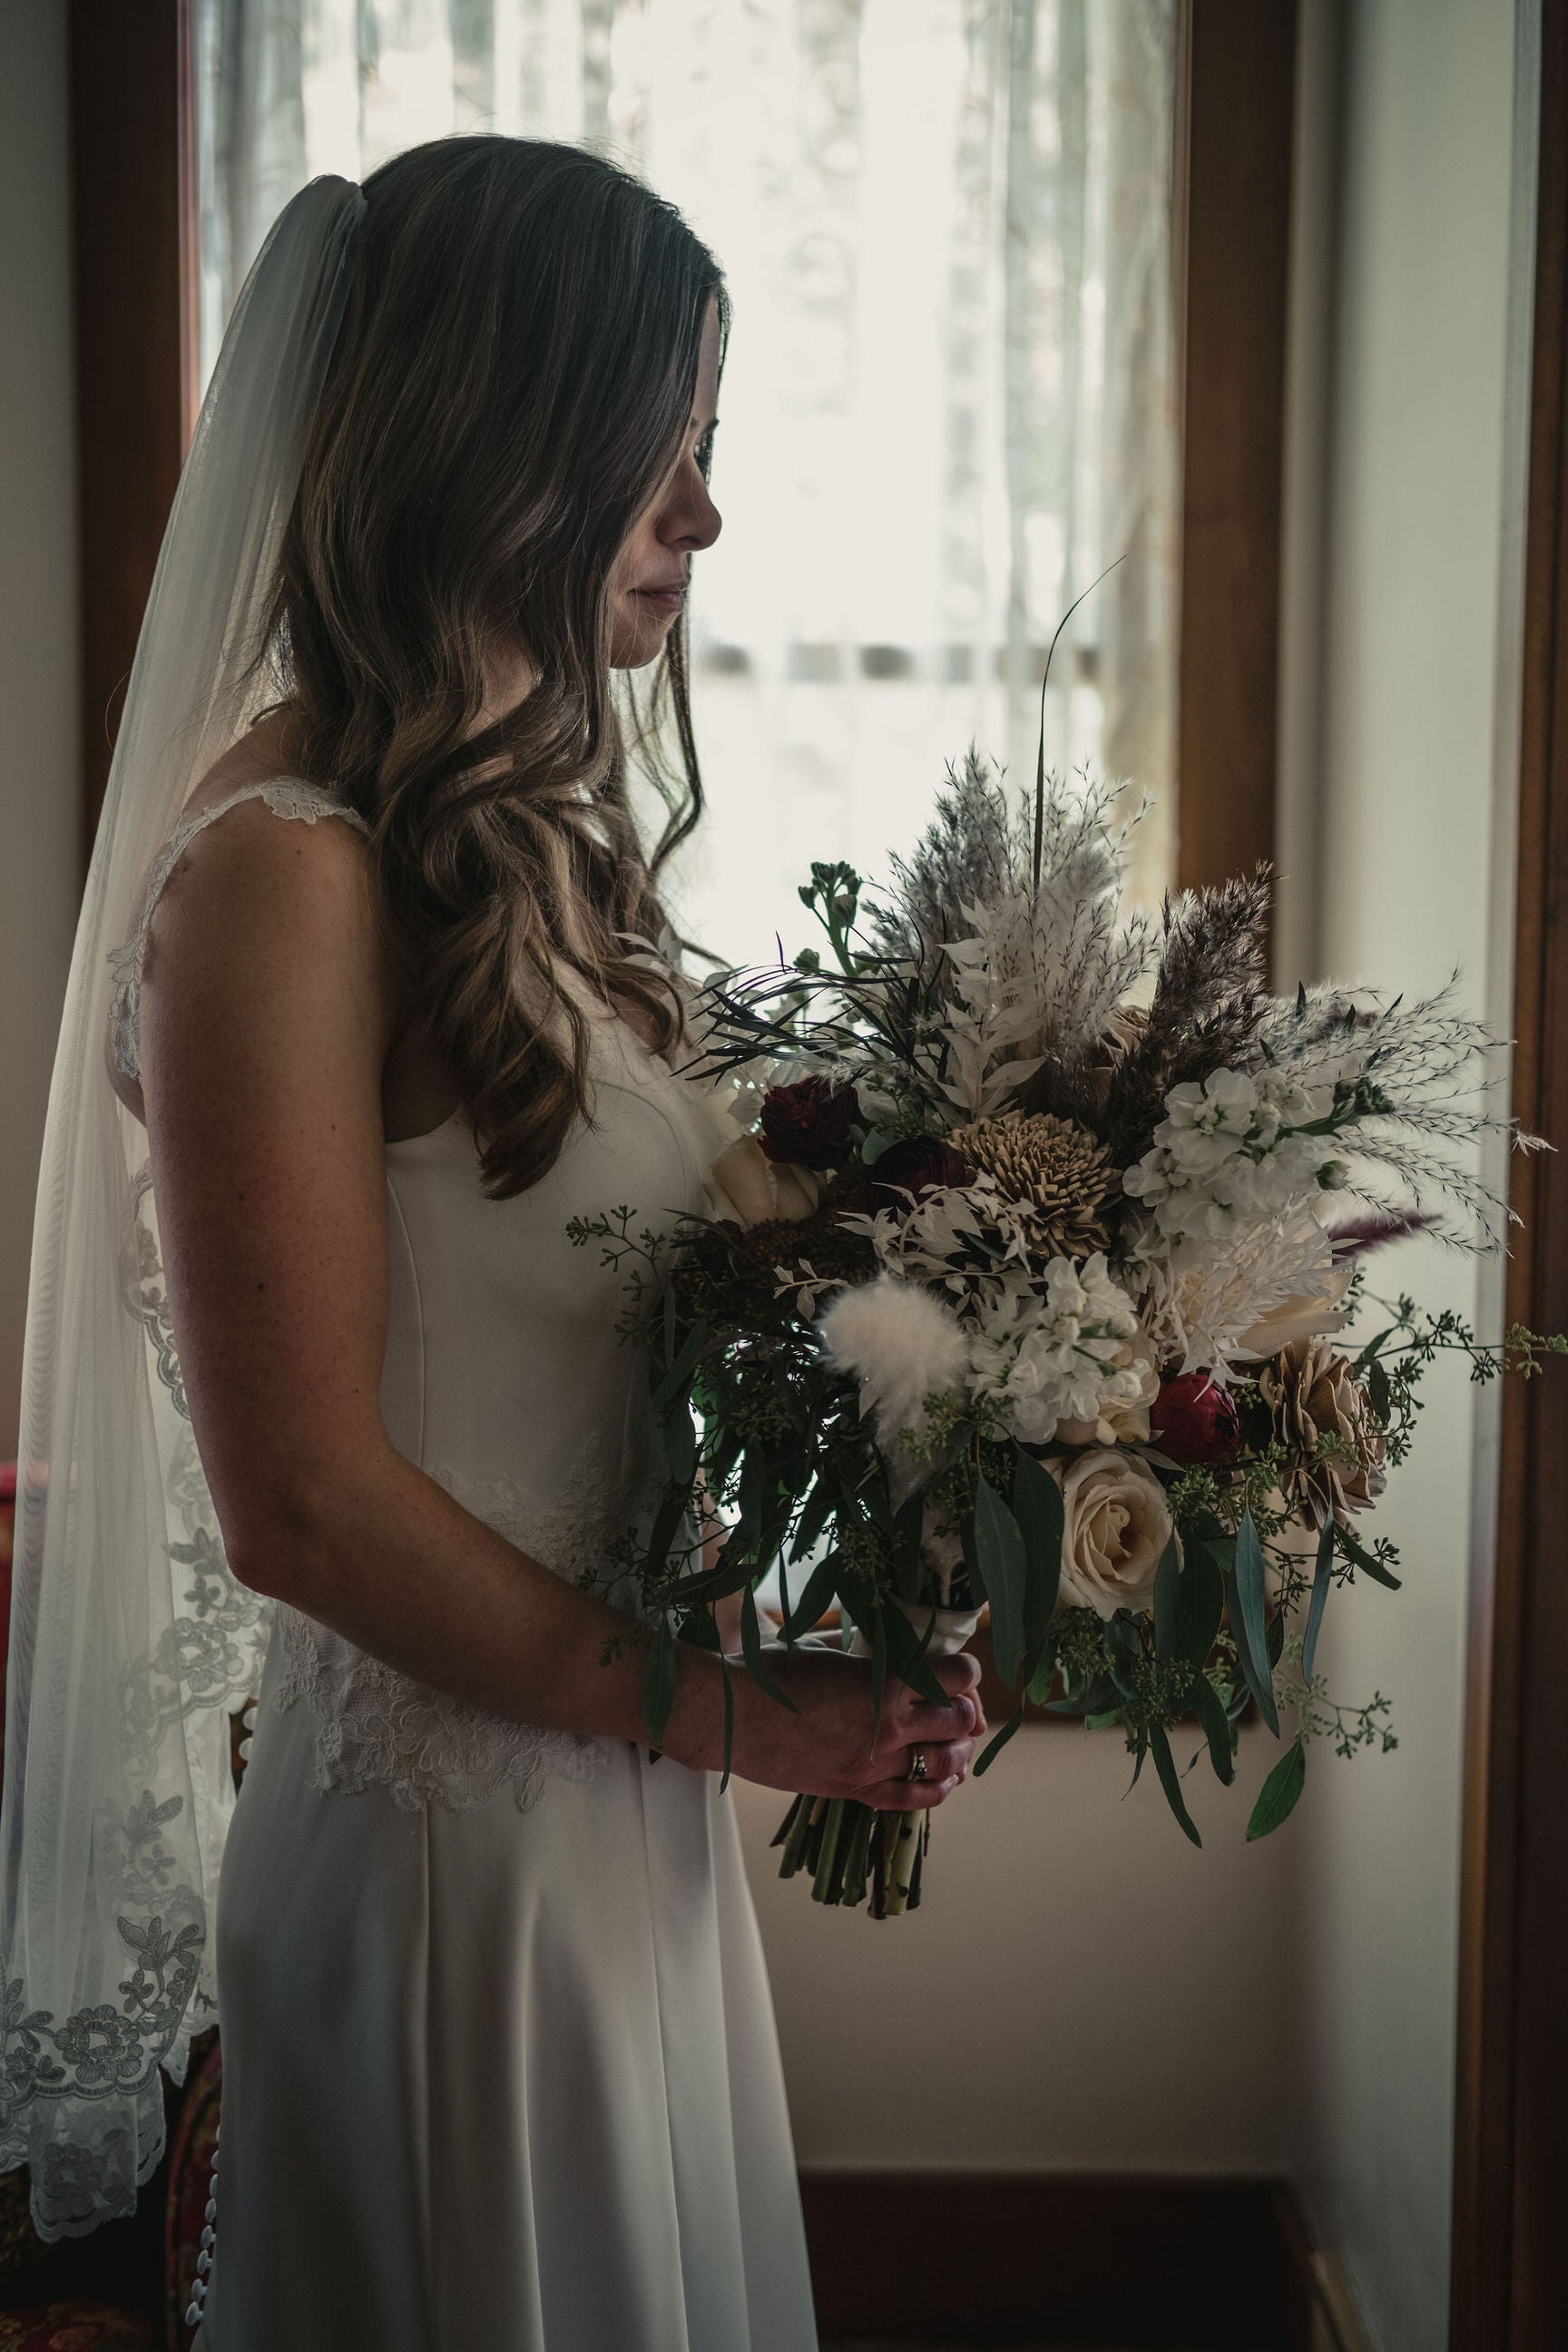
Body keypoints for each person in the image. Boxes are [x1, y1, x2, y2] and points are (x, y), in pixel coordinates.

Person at [7, 137, 982, 2349]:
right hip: (446, 1862)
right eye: (666, 449)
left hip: (613, 1825)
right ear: (502, 438)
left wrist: (955, 1489)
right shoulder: (279, 874)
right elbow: (312, 1506)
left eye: (707, 454)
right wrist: (758, 1723)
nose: (707, 520)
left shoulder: (531, 845)